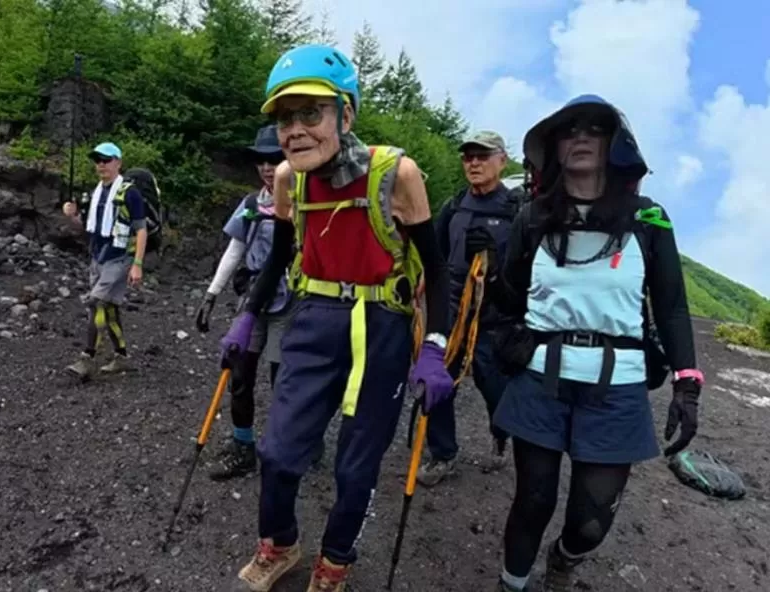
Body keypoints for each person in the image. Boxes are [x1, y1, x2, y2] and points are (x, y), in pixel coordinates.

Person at [219, 44, 455, 591]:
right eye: (284, 117)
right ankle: (279, 545)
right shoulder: (287, 180)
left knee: (355, 467)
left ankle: (335, 563)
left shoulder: (397, 174)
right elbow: (280, 256)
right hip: (314, 316)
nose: (294, 129)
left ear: (345, 115)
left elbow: (438, 271)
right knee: (277, 452)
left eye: (310, 113)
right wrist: (247, 317)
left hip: (382, 326)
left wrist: (435, 347)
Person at [484, 95, 703, 592]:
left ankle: (565, 558)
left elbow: (670, 305)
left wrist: (687, 384)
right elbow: (505, 297)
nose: (581, 137)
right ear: (555, 148)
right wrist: (504, 352)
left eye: (594, 129)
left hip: (618, 389)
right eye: (569, 130)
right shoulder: (534, 218)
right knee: (532, 501)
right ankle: (511, 585)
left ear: (614, 144)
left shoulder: (650, 220)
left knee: (590, 522)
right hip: (541, 380)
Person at [195, 125, 309, 481]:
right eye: (261, 159)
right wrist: (212, 294)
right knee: (240, 373)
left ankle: (289, 445)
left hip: (290, 300)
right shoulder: (250, 205)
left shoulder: (305, 203)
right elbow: (236, 250)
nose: (267, 166)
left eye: (274, 158)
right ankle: (243, 446)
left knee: (282, 380)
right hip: (252, 299)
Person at [417, 130, 522, 487]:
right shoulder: (456, 204)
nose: (474, 163)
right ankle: (443, 453)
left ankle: (500, 433)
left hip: (494, 315)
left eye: (482, 156)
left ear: (502, 160)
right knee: (439, 378)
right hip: (449, 309)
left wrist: (494, 258)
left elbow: (525, 268)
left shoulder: (516, 209)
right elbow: (435, 249)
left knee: (493, 385)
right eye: (468, 157)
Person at [62, 142, 148, 379]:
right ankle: (122, 357)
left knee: (96, 303)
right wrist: (72, 217)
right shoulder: (95, 193)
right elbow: (88, 227)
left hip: (120, 258)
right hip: (97, 258)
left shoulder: (130, 193)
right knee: (109, 307)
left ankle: (87, 359)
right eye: (98, 160)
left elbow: (141, 230)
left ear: (118, 163)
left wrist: (137, 265)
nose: (101, 164)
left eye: (106, 160)